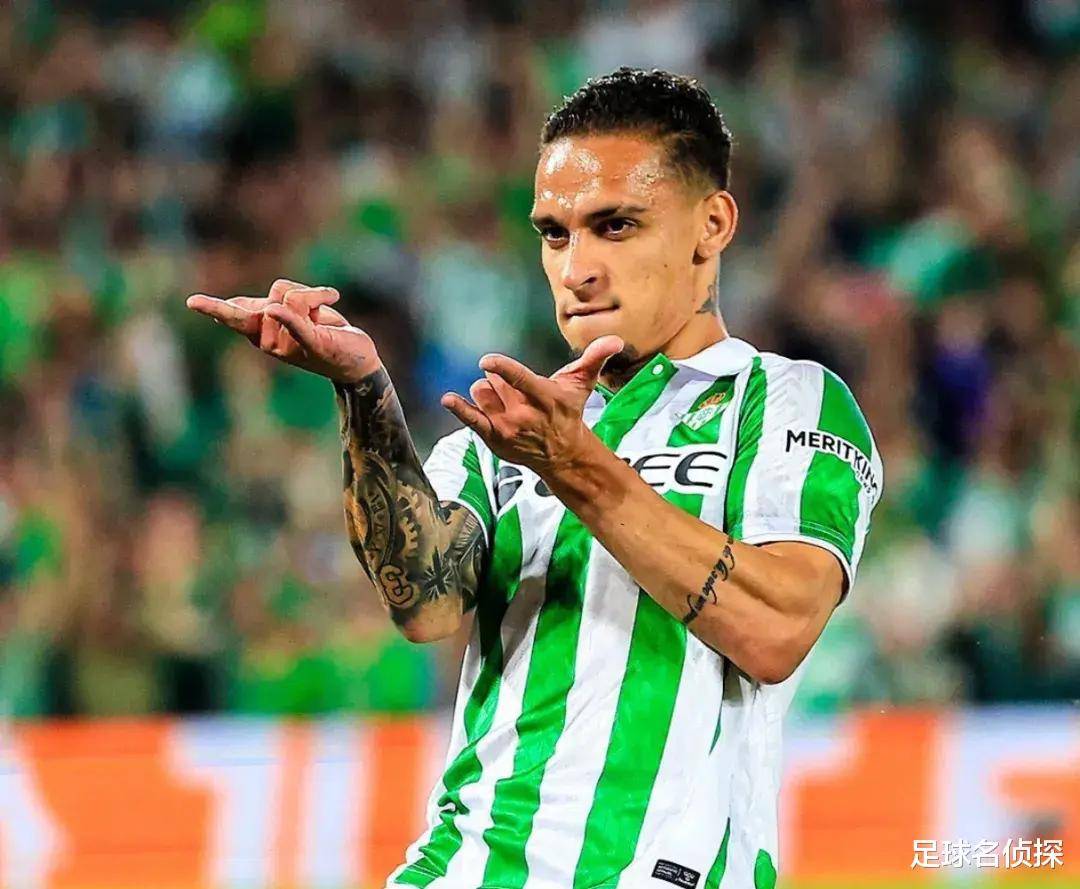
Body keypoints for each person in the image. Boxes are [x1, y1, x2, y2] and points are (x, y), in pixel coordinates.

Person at [188, 67, 883, 889]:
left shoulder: (784, 400)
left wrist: (575, 465)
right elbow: (426, 604)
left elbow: (776, 629)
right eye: (555, 235)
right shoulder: (502, 438)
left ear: (712, 224)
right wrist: (364, 391)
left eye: (615, 226)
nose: (576, 268)